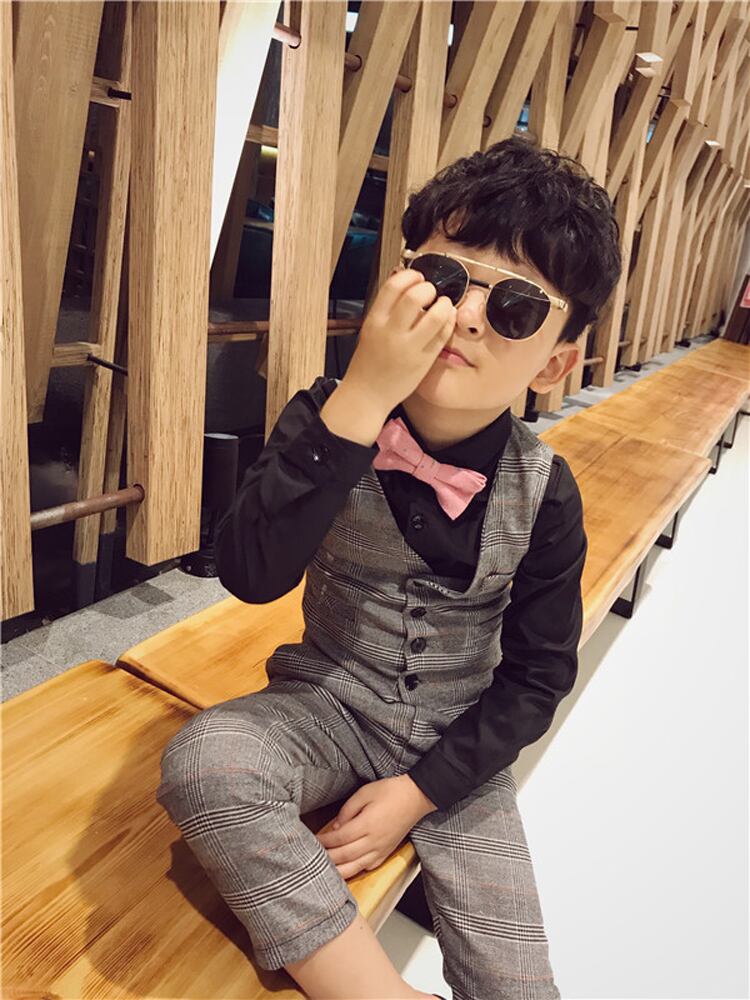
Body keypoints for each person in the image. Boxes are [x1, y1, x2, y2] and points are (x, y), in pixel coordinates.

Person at [156, 134, 622, 1000]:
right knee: (208, 763)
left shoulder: (545, 492)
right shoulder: (326, 414)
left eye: (515, 307)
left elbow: (537, 676)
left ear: (557, 361)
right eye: (444, 280)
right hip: (324, 702)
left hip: (459, 743)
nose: (467, 316)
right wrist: (362, 399)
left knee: (520, 984)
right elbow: (249, 572)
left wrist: (419, 791)